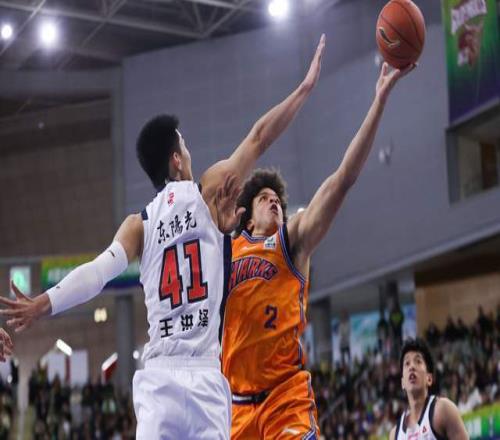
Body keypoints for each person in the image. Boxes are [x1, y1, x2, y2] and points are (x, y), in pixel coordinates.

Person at [0, 36, 326, 439]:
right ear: (176, 160)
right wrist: (304, 89)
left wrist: (44, 304)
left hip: (160, 379)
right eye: (184, 146)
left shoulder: (138, 224)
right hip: (204, 376)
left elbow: (96, 274)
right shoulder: (208, 193)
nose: (188, 152)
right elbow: (259, 137)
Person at [222, 61, 414, 439]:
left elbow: (342, 180)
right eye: (264, 198)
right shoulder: (226, 250)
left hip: (285, 396)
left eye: (277, 199)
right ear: (247, 217)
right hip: (236, 407)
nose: (273, 202)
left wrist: (378, 101)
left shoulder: (291, 239)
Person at [389, 338, 469, 440]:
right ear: (403, 383)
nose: (411, 367)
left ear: (429, 379)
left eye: (418, 361)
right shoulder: (394, 434)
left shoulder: (443, 410)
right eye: (407, 363)